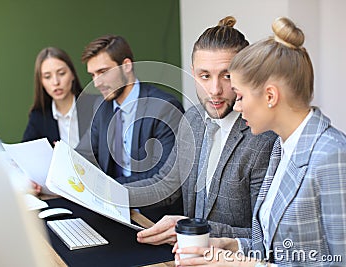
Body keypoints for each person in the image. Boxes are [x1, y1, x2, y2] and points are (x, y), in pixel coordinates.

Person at [174, 17, 346, 266]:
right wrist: (231, 245)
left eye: (240, 95)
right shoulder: (282, 148)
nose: (238, 106)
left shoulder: (332, 156)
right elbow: (273, 249)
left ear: (270, 96)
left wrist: (244, 264)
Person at [125, 16, 277, 245]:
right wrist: (106, 194)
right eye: (205, 76)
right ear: (193, 73)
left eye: (227, 76)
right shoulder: (193, 118)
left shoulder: (265, 140)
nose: (214, 90)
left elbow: (263, 237)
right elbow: (167, 185)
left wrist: (194, 231)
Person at [77, 35, 185, 221]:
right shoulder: (101, 108)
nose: (97, 83)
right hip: (113, 211)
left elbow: (164, 181)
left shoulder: (164, 108)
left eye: (103, 72)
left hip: (154, 218)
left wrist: (106, 189)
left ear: (126, 66)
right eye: (92, 75)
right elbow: (85, 155)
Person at [23, 47, 98, 148]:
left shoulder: (95, 106)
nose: (56, 82)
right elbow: (26, 151)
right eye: (47, 77)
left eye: (61, 73)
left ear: (72, 74)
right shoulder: (39, 116)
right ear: (41, 82)